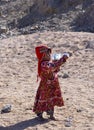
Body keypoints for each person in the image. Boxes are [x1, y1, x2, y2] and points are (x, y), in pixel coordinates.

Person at [33, 44, 69, 120]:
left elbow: (55, 69)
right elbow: (54, 66)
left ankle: (51, 115)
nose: (49, 54)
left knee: (51, 99)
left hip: (53, 84)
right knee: (44, 98)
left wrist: (57, 64)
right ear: (43, 55)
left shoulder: (48, 62)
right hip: (46, 86)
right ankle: (40, 115)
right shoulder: (44, 64)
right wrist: (63, 59)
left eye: (49, 52)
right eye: (47, 53)